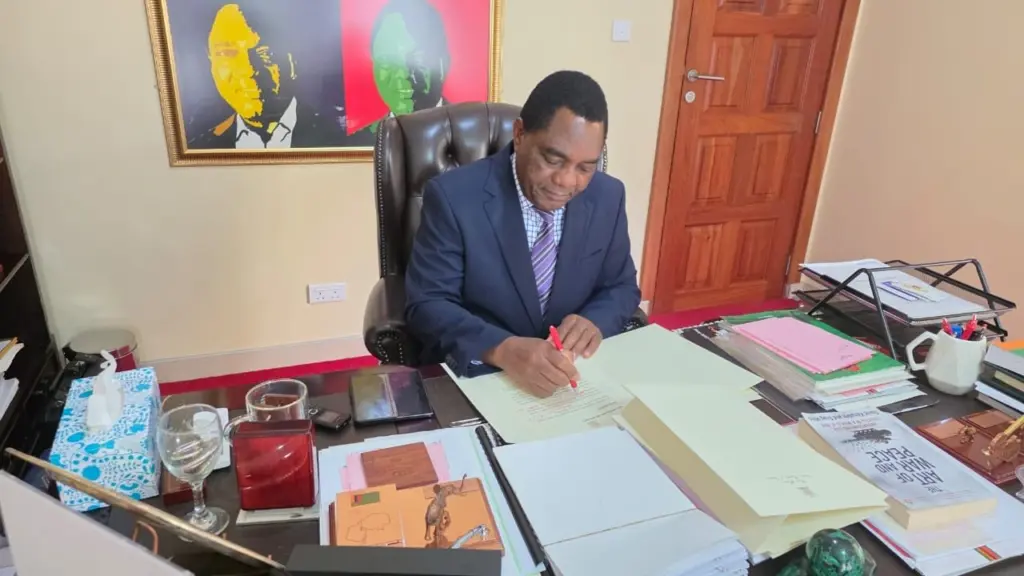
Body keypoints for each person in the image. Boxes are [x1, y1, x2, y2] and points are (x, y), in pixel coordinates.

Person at [404, 70, 641, 398]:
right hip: (485, 378)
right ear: (519, 134)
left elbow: (621, 286)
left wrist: (594, 321)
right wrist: (501, 348)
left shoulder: (608, 196)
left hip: (573, 381)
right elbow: (428, 303)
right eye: (553, 160)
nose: (566, 181)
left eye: (585, 167)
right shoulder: (454, 197)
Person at [190, 2, 338, 149]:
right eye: (227, 53)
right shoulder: (201, 147)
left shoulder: (337, 139)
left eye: (265, 53)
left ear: (293, 61)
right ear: (211, 61)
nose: (248, 70)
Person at [370, 0, 450, 117]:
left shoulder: (472, 125)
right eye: (386, 60)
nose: (403, 74)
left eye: (416, 58)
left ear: (443, 63)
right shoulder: (367, 131)